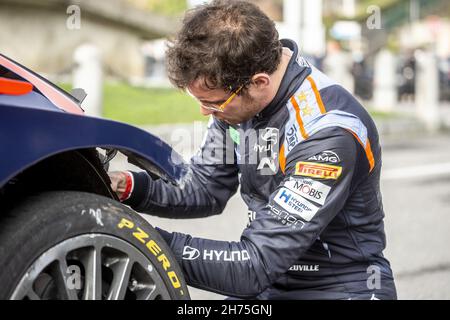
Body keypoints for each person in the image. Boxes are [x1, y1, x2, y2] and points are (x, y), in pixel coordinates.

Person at [108, 0, 396, 300]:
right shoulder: (237, 102)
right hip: (270, 285)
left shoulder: (328, 133)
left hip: (339, 288)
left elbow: (252, 266)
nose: (206, 112)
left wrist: (134, 239)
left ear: (259, 82)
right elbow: (204, 187)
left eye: (212, 103)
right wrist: (125, 187)